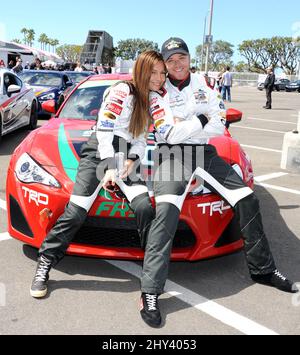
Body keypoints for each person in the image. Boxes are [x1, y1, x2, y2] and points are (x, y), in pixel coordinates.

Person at [139, 37, 298, 328]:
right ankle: (149, 291)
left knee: (247, 198)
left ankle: (263, 269)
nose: (177, 64)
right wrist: (200, 119)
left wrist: (193, 123)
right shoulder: (156, 90)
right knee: (166, 213)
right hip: (171, 155)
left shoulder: (204, 83)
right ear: (164, 63)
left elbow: (219, 122)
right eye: (170, 60)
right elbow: (170, 136)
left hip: (204, 151)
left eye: (181, 58)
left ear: (189, 58)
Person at [30, 50, 167, 299]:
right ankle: (45, 263)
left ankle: (151, 275)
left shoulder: (151, 100)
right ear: (142, 70)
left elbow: (139, 140)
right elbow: (104, 129)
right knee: (76, 212)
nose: (159, 77)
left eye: (162, 73)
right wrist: (110, 165)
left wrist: (131, 160)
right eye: (154, 72)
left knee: (145, 208)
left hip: (124, 154)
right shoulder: (122, 90)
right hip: (99, 150)